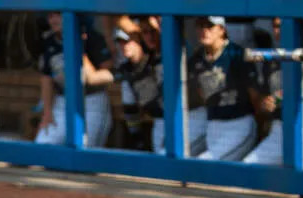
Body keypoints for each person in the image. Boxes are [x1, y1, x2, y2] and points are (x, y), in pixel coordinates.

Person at [82, 22, 208, 156]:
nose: (124, 46)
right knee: (162, 167)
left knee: (168, 159)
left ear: (139, 41)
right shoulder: (127, 69)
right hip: (161, 122)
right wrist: (80, 48)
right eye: (120, 42)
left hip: (189, 116)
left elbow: (165, 34)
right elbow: (93, 78)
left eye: (128, 41)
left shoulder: (156, 56)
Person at [243, 18, 303, 169]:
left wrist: (294, 95)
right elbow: (262, 100)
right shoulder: (272, 57)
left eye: (282, 26)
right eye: (275, 26)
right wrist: (266, 103)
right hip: (278, 129)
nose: (278, 31)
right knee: (248, 170)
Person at [35, 12, 114, 148]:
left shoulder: (91, 37)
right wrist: (47, 112)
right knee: (42, 146)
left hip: (92, 100)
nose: (54, 20)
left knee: (85, 152)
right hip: (63, 100)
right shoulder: (49, 42)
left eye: (58, 15)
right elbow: (46, 79)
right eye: (50, 16)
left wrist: (79, 48)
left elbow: (108, 75)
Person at [189, 16, 260, 161]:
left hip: (239, 123)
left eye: (209, 27)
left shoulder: (237, 54)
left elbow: (254, 95)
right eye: (200, 26)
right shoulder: (196, 58)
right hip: (213, 124)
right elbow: (198, 96)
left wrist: (260, 125)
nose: (204, 31)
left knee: (205, 165)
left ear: (222, 29)